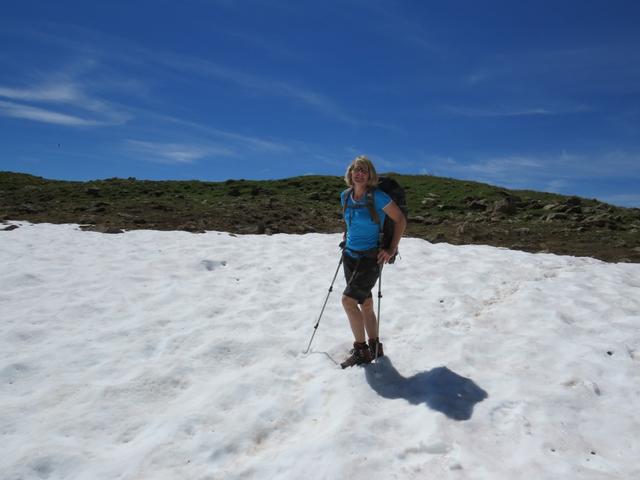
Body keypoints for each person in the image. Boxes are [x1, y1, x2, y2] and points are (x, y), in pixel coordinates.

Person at [340, 155, 406, 368]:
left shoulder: (378, 197)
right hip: (350, 255)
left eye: (364, 171)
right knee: (365, 303)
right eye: (356, 170)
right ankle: (375, 346)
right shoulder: (345, 196)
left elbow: (400, 220)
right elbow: (350, 223)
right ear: (350, 173)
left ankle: (361, 351)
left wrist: (391, 248)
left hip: (370, 257)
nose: (359, 174)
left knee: (348, 301)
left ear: (370, 176)